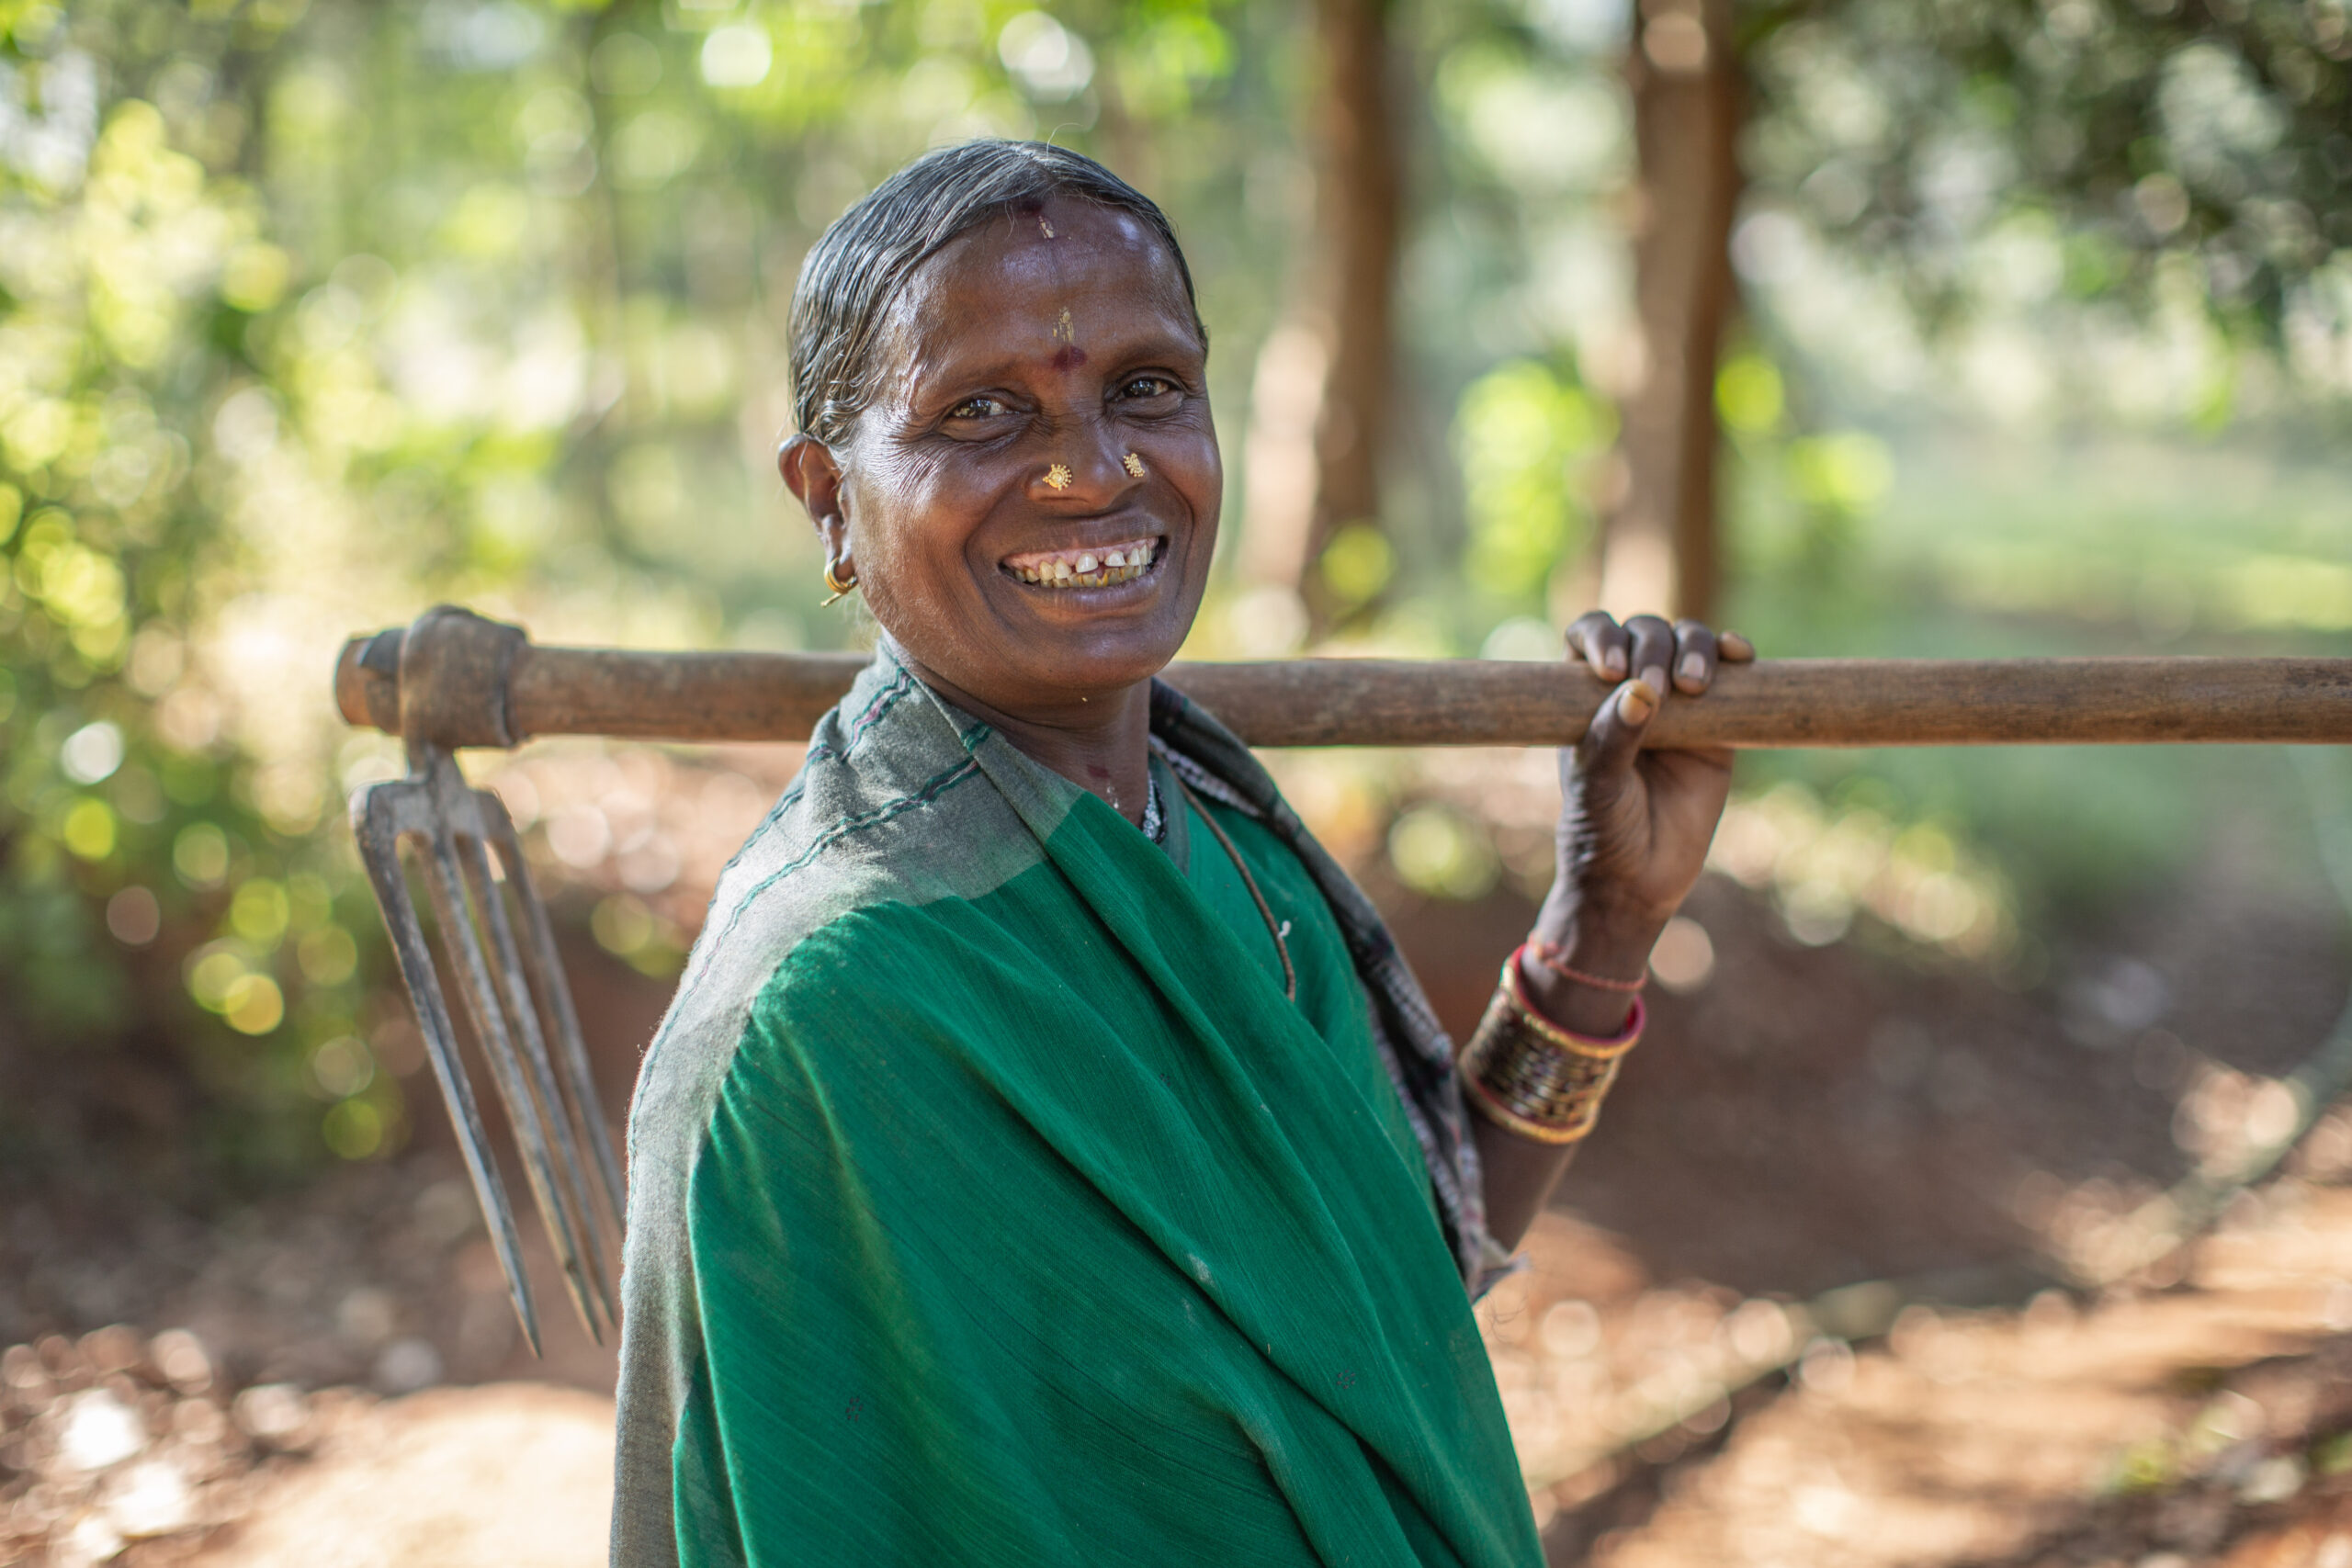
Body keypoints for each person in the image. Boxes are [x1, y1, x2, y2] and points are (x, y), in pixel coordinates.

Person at [611, 140, 1750, 1568]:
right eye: (981, 414)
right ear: (830, 500)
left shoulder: (1222, 838)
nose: (1094, 471)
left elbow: (1386, 1279)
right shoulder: (840, 1010)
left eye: (1147, 388)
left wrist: (1602, 922)